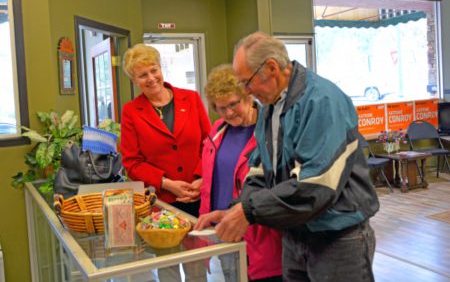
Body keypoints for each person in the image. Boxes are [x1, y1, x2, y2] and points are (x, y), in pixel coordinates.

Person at [209, 32, 380, 282]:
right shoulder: (271, 107)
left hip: (337, 239)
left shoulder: (322, 100)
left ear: (271, 68)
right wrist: (237, 208)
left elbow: (315, 185)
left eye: (247, 82)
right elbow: (260, 169)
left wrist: (249, 210)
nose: (246, 91)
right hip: (295, 236)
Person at [120, 43, 210, 281]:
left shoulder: (190, 99)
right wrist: (167, 183)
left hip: (197, 197)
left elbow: (209, 144)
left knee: (197, 266)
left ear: (161, 68)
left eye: (153, 70)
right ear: (134, 80)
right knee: (168, 267)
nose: (151, 78)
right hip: (163, 202)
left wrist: (201, 179)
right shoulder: (131, 111)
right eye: (142, 75)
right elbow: (132, 162)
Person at [193, 64, 282, 282]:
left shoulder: (271, 130)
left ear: (248, 96)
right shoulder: (218, 129)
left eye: (233, 104)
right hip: (223, 232)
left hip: (259, 235)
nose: (228, 112)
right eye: (221, 108)